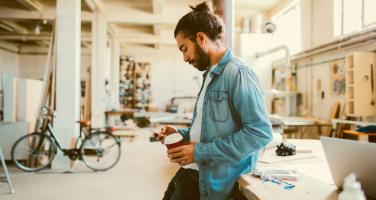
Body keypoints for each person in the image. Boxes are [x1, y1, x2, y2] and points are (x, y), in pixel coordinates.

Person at [158, 1, 273, 200]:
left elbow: (260, 133)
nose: (184, 58)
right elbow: (209, 129)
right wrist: (182, 134)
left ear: (201, 38)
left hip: (213, 182)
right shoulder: (210, 76)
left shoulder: (238, 73)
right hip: (192, 173)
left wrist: (199, 152)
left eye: (184, 48)